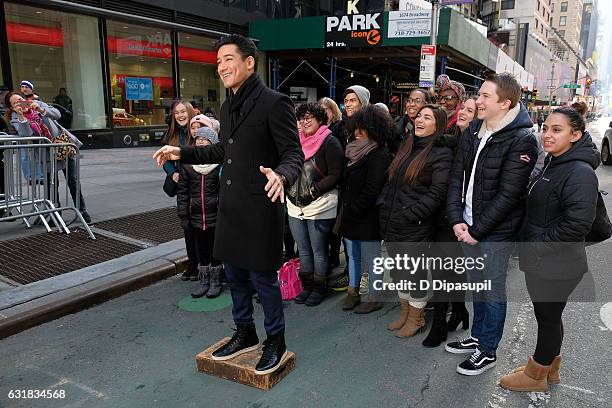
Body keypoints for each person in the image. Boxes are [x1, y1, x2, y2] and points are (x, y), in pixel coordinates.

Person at [153, 34, 303, 375]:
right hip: (230, 207)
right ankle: (246, 332)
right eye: (218, 61)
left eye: (228, 59)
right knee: (234, 275)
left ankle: (275, 341)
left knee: (263, 280)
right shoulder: (226, 106)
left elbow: (294, 153)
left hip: (262, 206)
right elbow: (224, 152)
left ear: (249, 62)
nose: (221, 67)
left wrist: (281, 175)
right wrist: (182, 151)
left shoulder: (274, 102)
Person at [499, 107, 599, 392]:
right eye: (545, 128)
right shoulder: (556, 162)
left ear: (575, 135)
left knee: (548, 319)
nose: (547, 134)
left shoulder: (578, 171)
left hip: (556, 264)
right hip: (546, 261)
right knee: (549, 318)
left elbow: (578, 224)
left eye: (557, 130)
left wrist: (536, 248)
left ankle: (536, 375)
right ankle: (549, 368)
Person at [445, 73, 538, 376]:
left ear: (505, 102)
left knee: (493, 290)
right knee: (477, 286)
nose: (477, 101)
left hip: (494, 232)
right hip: (468, 225)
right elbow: (457, 176)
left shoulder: (521, 138)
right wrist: (458, 219)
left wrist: (476, 231)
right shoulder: (474, 129)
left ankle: (488, 350)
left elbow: (510, 194)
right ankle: (478, 335)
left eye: (485, 96)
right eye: (479, 94)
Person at [381, 105, 453, 338]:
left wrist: (411, 214)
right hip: (392, 223)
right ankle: (405, 313)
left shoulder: (441, 153)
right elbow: (391, 181)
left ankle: (416, 318)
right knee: (398, 273)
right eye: (419, 116)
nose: (420, 120)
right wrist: (383, 206)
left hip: (414, 226)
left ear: (438, 125)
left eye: (427, 117)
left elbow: (437, 193)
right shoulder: (407, 145)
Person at [335, 105, 391, 314]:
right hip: (351, 215)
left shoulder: (380, 155)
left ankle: (374, 296)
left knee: (372, 258)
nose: (357, 132)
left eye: (362, 129)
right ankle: (353, 291)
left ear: (374, 129)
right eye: (355, 128)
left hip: (367, 218)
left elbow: (372, 189)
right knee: (354, 256)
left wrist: (354, 209)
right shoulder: (353, 151)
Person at [288, 102, 343, 306]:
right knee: (303, 249)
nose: (305, 121)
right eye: (302, 118)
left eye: (310, 117)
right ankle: (307, 286)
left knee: (318, 250)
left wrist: (315, 189)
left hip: (321, 205)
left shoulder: (330, 142)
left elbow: (336, 174)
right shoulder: (295, 141)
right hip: (295, 205)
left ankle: (319, 288)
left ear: (321, 119)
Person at [177, 126, 224, 299]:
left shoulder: (218, 165)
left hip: (215, 216)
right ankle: (204, 280)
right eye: (198, 139)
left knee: (215, 250)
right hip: (196, 216)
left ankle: (216, 281)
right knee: (201, 251)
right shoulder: (188, 166)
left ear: (213, 143)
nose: (201, 142)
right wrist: (183, 215)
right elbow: (182, 192)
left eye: (205, 139)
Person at [163, 100, 197, 280]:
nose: (180, 116)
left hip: (199, 186)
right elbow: (165, 160)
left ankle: (203, 264)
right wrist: (172, 173)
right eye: (177, 113)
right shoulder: (172, 134)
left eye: (183, 112)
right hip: (182, 188)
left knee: (201, 227)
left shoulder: (196, 130)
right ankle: (193, 264)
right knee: (187, 226)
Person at [391, 89, 433, 154]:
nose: (412, 104)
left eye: (417, 101)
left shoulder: (431, 130)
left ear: (427, 104)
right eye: (409, 100)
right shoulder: (395, 126)